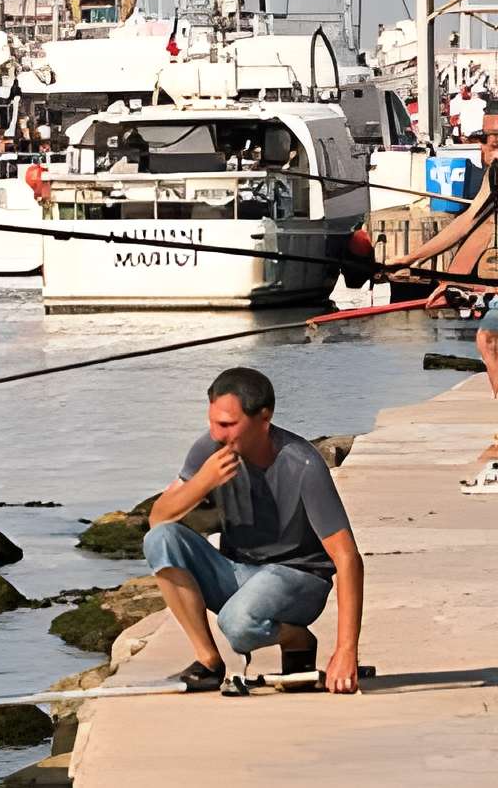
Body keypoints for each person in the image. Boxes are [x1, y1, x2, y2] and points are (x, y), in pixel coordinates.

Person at [145, 365, 363, 693]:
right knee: (160, 539)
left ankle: (298, 638)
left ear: (264, 418)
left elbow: (347, 558)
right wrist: (202, 482)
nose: (216, 433)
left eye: (227, 424)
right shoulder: (210, 449)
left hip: (298, 578)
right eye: (212, 422)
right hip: (239, 572)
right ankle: (208, 660)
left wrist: (346, 651)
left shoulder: (302, 464)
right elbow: (158, 518)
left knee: (237, 626)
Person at [393, 122, 498, 491]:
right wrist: (415, 259)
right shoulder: (495, 176)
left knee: (490, 339)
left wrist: (459, 284)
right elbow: (470, 223)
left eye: (494, 139)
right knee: (488, 340)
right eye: (486, 139)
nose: (486, 147)